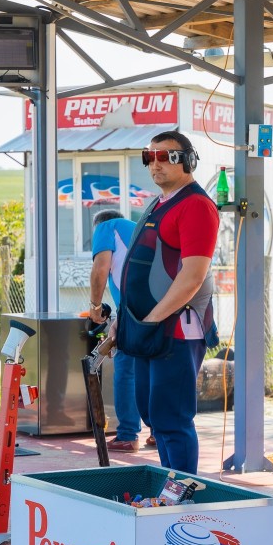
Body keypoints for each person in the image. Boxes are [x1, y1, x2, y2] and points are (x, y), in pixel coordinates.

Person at [116, 131, 219, 474]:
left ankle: (182, 494)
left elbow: (192, 277)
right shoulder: (158, 204)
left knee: (172, 418)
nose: (155, 164)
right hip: (150, 329)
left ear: (188, 161)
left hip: (175, 331)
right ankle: (169, 488)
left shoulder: (196, 206)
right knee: (154, 417)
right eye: (150, 157)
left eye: (166, 157)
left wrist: (152, 320)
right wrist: (124, 322)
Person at [89, 209, 154, 452]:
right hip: (161, 307)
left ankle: (127, 435)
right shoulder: (139, 228)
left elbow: (100, 268)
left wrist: (95, 307)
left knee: (126, 371)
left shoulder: (106, 227)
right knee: (151, 370)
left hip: (135, 310)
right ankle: (158, 432)